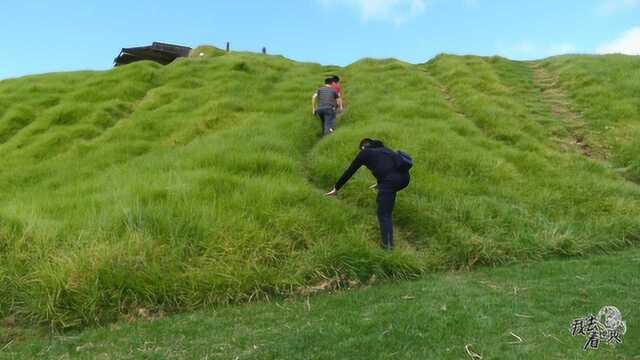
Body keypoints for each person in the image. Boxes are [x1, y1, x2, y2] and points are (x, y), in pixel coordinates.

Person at [325, 138, 411, 249]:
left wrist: (336, 188)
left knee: (384, 214)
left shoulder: (365, 153)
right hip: (405, 179)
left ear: (363, 147)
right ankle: (388, 243)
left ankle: (388, 247)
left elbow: (350, 171)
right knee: (386, 206)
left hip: (390, 181)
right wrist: (380, 184)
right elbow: (388, 167)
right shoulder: (385, 150)